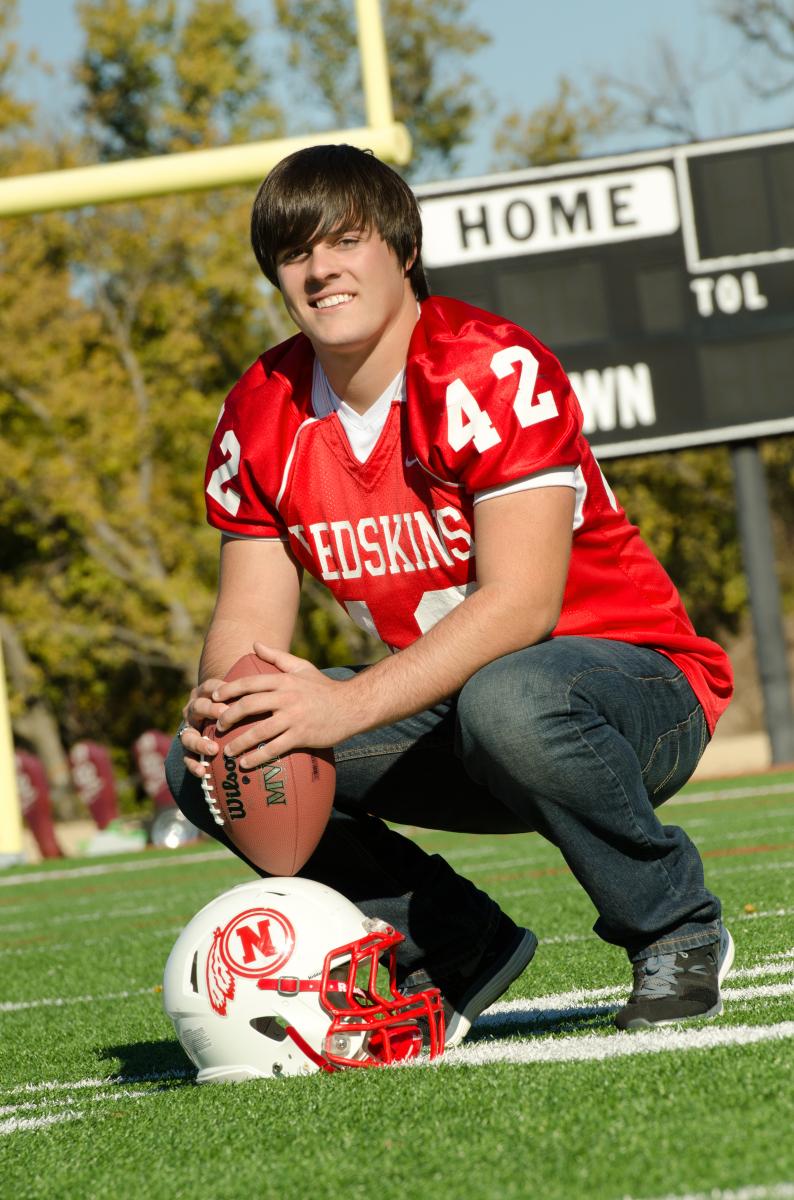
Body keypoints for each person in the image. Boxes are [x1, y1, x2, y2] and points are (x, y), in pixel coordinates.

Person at [166, 143, 735, 1041]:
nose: (321, 270)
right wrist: (230, 706)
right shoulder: (262, 408)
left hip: (630, 690)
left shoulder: (484, 366)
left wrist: (342, 706)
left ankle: (673, 928)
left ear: (400, 247)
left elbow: (521, 606)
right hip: (457, 711)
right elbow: (245, 618)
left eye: (344, 241)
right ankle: (450, 942)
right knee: (211, 759)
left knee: (511, 696)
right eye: (294, 252)